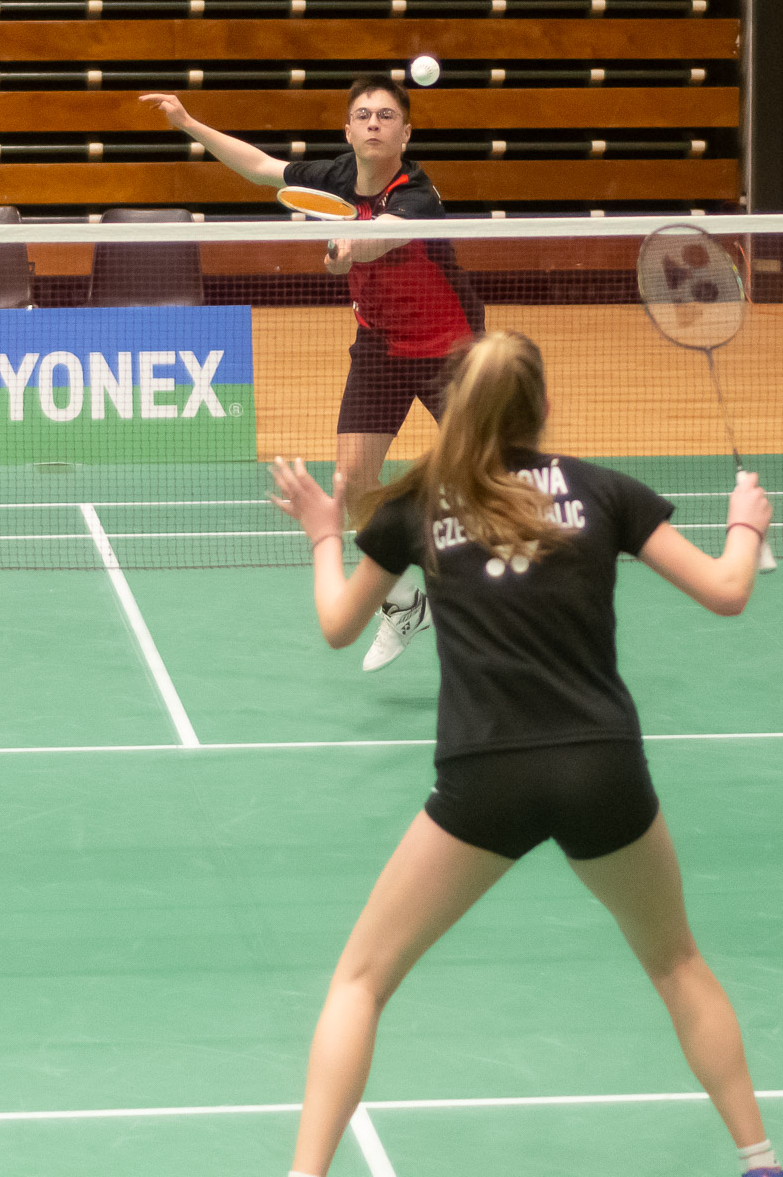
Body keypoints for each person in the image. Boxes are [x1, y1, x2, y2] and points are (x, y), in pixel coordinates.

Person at [268, 330, 777, 1177]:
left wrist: (324, 532)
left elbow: (336, 626)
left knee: (360, 982)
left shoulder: (420, 505)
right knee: (678, 963)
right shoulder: (604, 491)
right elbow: (728, 591)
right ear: (541, 405)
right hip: (603, 769)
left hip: (484, 777)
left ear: (459, 405)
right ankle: (761, 1161)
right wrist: (745, 526)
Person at [143, 75, 483, 672]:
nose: (374, 123)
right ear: (347, 130)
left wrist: (349, 248)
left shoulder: (417, 193)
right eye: (363, 115)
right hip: (379, 346)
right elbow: (261, 168)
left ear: (406, 133)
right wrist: (189, 124)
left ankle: (518, 597)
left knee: (488, 477)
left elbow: (381, 240)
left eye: (386, 116)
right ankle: (404, 603)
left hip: (448, 349)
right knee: (352, 481)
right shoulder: (335, 178)